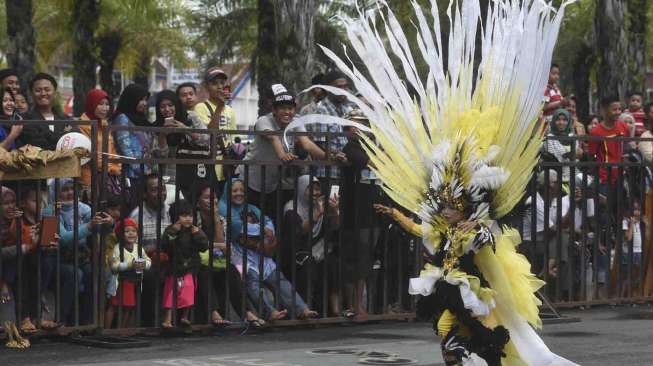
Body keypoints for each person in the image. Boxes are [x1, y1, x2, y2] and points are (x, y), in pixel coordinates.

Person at [294, 1, 578, 364]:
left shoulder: (477, 230)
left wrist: (479, 227)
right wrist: (395, 216)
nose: (444, 208)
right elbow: (420, 228)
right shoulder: (445, 228)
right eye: (443, 203)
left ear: (465, 207)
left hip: (474, 291)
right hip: (448, 288)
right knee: (449, 333)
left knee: (479, 337)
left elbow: (487, 237)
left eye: (450, 205)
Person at [219, 177, 318, 321]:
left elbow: (268, 223)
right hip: (239, 256)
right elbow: (237, 227)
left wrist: (266, 231)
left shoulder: (251, 208)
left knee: (280, 280)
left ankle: (302, 309)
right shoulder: (224, 207)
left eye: (241, 190)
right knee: (252, 283)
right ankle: (269, 312)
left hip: (261, 254)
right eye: (234, 191)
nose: (238, 193)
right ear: (228, 192)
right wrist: (263, 230)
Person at [235, 84, 325, 219]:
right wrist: (283, 155)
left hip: (271, 184)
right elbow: (274, 138)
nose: (287, 112)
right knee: (248, 221)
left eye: (290, 108)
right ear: (274, 110)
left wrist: (329, 156)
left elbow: (306, 143)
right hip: (248, 181)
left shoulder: (296, 122)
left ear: (295, 110)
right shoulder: (264, 121)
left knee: (269, 223)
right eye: (282, 108)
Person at [335, 110, 384, 319]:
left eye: (364, 124)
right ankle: (355, 307)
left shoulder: (370, 147)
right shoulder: (352, 148)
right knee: (356, 259)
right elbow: (376, 163)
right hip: (355, 211)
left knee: (366, 258)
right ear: (346, 130)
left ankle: (361, 306)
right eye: (355, 125)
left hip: (372, 209)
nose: (360, 128)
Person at [194, 184, 264, 326]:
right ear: (198, 202)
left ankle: (247, 313)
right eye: (207, 198)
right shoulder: (194, 219)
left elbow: (223, 246)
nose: (211, 201)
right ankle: (213, 312)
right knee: (204, 272)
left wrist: (215, 218)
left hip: (217, 260)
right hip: (198, 262)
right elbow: (199, 246)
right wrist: (217, 246)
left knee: (231, 271)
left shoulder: (221, 219)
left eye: (214, 198)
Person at [281, 175, 340, 316]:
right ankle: (305, 310)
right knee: (308, 264)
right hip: (296, 252)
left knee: (333, 263)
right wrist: (317, 214)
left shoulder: (320, 205)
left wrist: (335, 211)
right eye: (311, 189)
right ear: (302, 190)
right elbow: (300, 231)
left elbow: (334, 227)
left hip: (317, 249)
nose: (315, 193)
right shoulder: (291, 208)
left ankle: (331, 311)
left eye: (317, 189)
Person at [155, 89, 212, 202]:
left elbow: (206, 139)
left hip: (195, 175)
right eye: (162, 107)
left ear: (176, 104)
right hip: (172, 179)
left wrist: (185, 129)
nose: (167, 110)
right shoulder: (156, 126)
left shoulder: (191, 117)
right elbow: (162, 157)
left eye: (170, 105)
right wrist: (162, 135)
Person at [161, 199, 208, 328]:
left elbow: (204, 246)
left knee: (188, 291)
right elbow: (165, 246)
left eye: (190, 216)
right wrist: (173, 232)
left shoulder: (195, 231)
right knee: (171, 293)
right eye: (184, 216)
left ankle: (185, 316)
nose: (188, 219)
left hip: (190, 268)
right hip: (174, 268)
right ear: (176, 218)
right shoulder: (171, 230)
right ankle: (167, 319)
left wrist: (197, 234)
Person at [113, 84, 169, 181]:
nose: (145, 103)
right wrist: (141, 170)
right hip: (131, 175)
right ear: (131, 99)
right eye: (141, 100)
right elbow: (125, 149)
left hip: (147, 172)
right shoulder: (122, 118)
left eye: (146, 100)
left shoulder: (142, 119)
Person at [193, 67, 237, 192]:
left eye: (222, 83)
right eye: (214, 83)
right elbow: (210, 132)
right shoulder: (201, 107)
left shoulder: (231, 111)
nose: (219, 87)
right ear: (207, 87)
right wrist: (220, 106)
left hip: (227, 166)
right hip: (209, 166)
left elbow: (233, 138)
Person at [307, 71, 356, 180]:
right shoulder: (320, 112)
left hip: (347, 171)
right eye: (338, 87)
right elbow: (320, 144)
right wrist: (340, 154)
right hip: (328, 172)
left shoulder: (347, 110)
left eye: (345, 86)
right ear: (328, 89)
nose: (343, 90)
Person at [107, 218, 151, 328]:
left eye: (133, 231)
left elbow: (148, 261)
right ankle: (108, 329)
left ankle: (123, 329)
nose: (131, 233)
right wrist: (129, 265)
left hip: (134, 281)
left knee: (130, 307)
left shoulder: (139, 248)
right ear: (120, 234)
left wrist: (142, 264)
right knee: (115, 306)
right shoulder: (117, 249)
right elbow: (114, 266)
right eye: (127, 231)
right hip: (121, 282)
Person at [78, 89, 122, 193]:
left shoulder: (104, 123)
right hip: (89, 179)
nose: (105, 108)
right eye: (100, 104)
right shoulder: (83, 125)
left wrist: (117, 165)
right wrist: (113, 168)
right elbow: (91, 155)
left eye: (107, 104)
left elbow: (111, 149)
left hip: (107, 176)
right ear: (92, 104)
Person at [588, 96, 632, 189]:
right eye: (614, 109)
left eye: (619, 109)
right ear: (604, 110)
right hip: (604, 178)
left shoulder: (624, 127)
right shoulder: (595, 132)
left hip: (622, 175)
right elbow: (592, 155)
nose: (618, 112)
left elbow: (627, 146)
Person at [18, 73, 70, 149]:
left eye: (47, 90)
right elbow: (39, 144)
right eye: (38, 90)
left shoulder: (66, 119)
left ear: (55, 93)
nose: (43, 93)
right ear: (31, 94)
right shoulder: (24, 119)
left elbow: (75, 139)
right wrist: (64, 134)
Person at [542, 108, 582, 182]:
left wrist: (577, 155)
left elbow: (577, 159)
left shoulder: (572, 136)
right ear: (553, 121)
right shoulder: (550, 138)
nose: (561, 122)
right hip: (557, 177)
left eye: (564, 120)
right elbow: (553, 159)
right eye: (558, 120)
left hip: (575, 174)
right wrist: (568, 155)